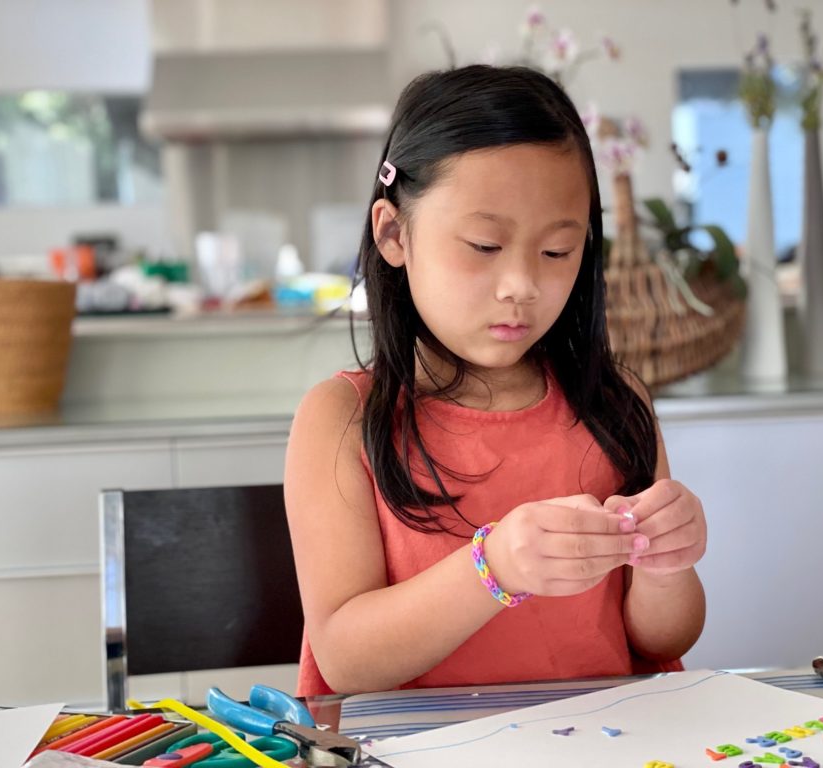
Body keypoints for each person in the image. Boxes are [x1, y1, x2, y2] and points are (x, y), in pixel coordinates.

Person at [284, 64, 707, 697]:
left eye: (558, 251)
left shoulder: (614, 404)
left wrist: (668, 565)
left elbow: (662, 641)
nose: (523, 286)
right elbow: (344, 659)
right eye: (485, 245)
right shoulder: (340, 418)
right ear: (393, 233)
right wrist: (494, 568)